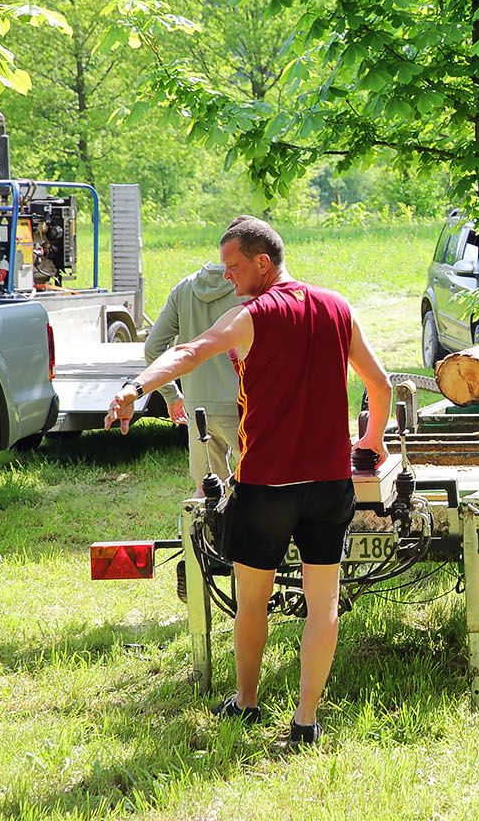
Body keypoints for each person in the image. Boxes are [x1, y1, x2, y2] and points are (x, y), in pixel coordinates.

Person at [105, 215, 391, 747]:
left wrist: (134, 387)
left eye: (235, 267)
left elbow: (190, 351)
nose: (228, 278)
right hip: (329, 484)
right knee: (322, 602)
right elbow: (380, 385)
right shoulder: (338, 308)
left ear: (264, 262)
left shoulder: (252, 316)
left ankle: (247, 701)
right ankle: (306, 721)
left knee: (251, 600)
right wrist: (370, 442)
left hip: (266, 486)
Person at [145, 262, 245, 488]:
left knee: (204, 491)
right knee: (258, 487)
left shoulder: (184, 287)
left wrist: (171, 395)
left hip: (197, 407)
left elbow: (153, 348)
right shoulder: (249, 288)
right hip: (242, 406)